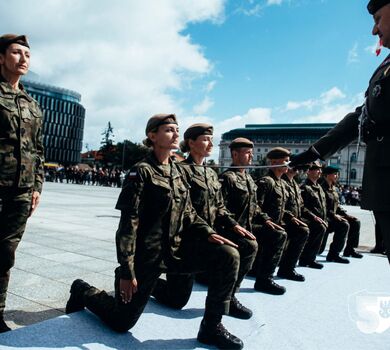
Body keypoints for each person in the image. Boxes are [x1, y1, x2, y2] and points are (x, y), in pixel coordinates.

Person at [66, 114, 244, 350]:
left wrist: (207, 231)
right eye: (169, 130)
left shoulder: (179, 172)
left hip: (176, 252)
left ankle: (211, 327)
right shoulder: (141, 172)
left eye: (177, 130)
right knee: (121, 322)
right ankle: (83, 290)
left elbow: (188, 211)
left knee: (227, 255)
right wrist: (128, 272)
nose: (176, 134)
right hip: (147, 257)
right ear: (152, 136)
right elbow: (128, 224)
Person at [290, 0, 390, 264]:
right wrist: (314, 152)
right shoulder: (385, 67)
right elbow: (360, 117)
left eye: (378, 19)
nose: (374, 30)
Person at [152, 123, 257, 320]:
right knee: (176, 301)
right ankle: (145, 281)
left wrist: (234, 225)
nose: (211, 144)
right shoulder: (179, 171)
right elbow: (183, 210)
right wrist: (207, 232)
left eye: (211, 140)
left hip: (207, 238)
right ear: (191, 143)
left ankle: (228, 298)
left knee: (247, 245)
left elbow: (219, 207)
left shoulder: (210, 173)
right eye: (206, 140)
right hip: (185, 241)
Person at [0, 34, 44, 333]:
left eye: (27, 54)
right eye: (16, 52)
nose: (23, 58)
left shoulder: (33, 105)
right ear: (1, 58)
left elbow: (38, 149)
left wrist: (37, 186)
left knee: (5, 253)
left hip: (21, 191)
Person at [219, 138, 287, 295]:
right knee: (250, 244)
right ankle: (230, 294)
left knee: (278, 234)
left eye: (252, 153)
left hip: (247, 227)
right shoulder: (227, 178)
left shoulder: (248, 178)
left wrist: (266, 219)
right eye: (248, 153)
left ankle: (264, 280)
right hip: (229, 228)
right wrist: (233, 225)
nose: (252, 156)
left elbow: (255, 206)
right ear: (235, 154)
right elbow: (219, 207)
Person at [256, 148, 309, 282]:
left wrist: (291, 217)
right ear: (274, 162)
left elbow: (283, 208)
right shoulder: (266, 181)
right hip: (262, 224)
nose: (289, 163)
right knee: (279, 235)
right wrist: (266, 220)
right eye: (286, 160)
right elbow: (255, 206)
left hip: (279, 223)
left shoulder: (282, 183)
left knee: (302, 231)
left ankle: (287, 269)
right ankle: (265, 278)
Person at [282, 165, 325, 269]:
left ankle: (307, 259)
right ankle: (289, 265)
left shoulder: (295, 185)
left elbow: (301, 206)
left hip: (297, 218)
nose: (319, 172)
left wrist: (314, 217)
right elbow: (279, 206)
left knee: (319, 227)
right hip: (284, 220)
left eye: (320, 169)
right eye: (316, 169)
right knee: (304, 230)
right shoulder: (301, 186)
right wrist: (292, 217)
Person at [319, 166, 363, 259]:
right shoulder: (321, 188)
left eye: (337, 174)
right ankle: (333, 254)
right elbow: (322, 207)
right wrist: (334, 215)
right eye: (335, 174)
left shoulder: (333, 188)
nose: (337, 176)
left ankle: (349, 250)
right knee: (343, 224)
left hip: (333, 217)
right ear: (327, 175)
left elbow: (337, 206)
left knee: (355, 222)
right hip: (325, 217)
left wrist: (346, 215)